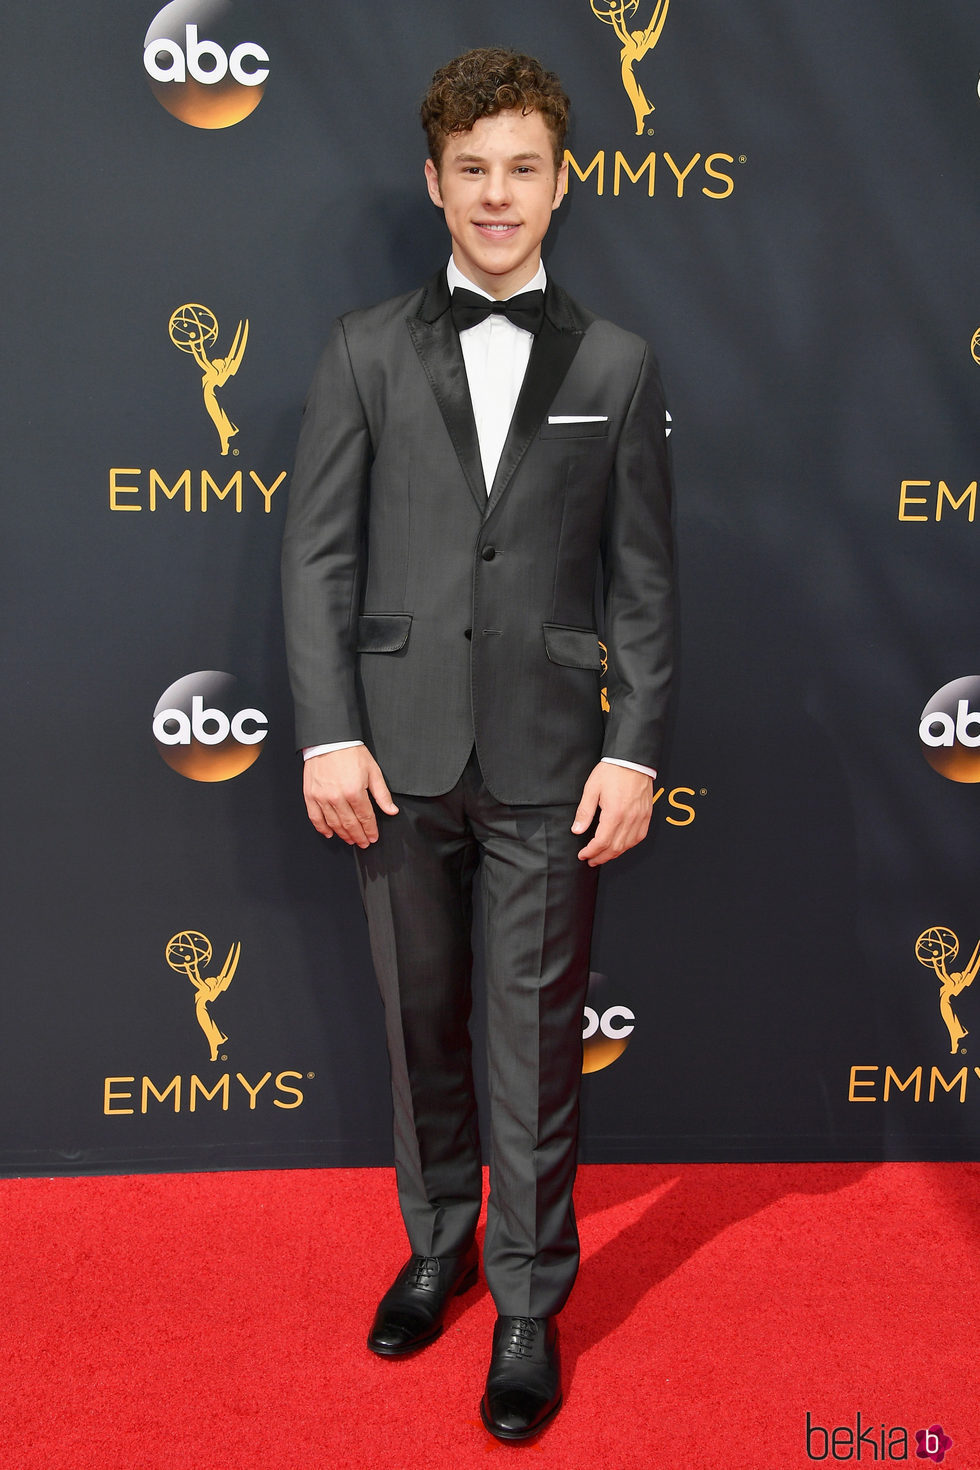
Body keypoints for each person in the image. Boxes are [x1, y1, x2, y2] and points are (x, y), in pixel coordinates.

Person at [281, 46, 674, 1441]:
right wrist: (326, 731)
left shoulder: (617, 365)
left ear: (562, 184)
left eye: (523, 171)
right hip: (390, 759)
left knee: (533, 1052)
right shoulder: (362, 348)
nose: (496, 196)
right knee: (417, 1031)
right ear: (433, 182)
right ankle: (438, 1243)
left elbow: (645, 581)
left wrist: (634, 749)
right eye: (473, 171)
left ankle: (525, 1299)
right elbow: (318, 558)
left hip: (553, 765)